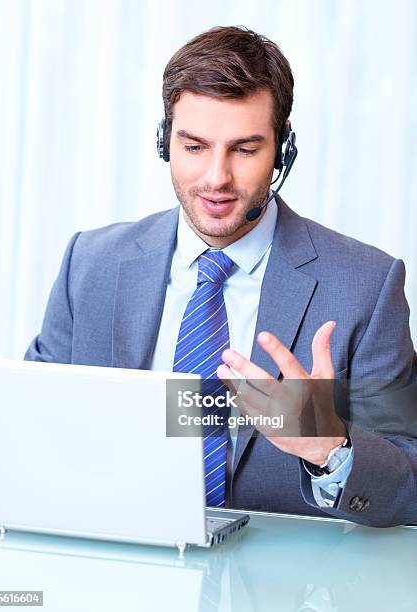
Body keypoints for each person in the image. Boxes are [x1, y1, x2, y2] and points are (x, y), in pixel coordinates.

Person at [25, 26, 417, 527]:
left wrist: (330, 446)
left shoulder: (366, 286)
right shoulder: (91, 265)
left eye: (244, 149)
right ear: (165, 140)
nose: (216, 178)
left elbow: (410, 487)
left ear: (283, 148)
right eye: (194, 146)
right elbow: (33, 428)